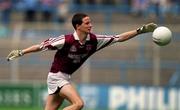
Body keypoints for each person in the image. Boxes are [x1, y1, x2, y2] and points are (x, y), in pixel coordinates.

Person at [7, 13, 157, 110]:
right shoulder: (66, 40)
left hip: (65, 77)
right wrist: (21, 52)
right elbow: (40, 46)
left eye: (90, 22)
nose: (90, 25)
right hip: (56, 76)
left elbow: (119, 38)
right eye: (87, 23)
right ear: (78, 26)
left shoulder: (95, 40)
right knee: (78, 104)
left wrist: (140, 30)